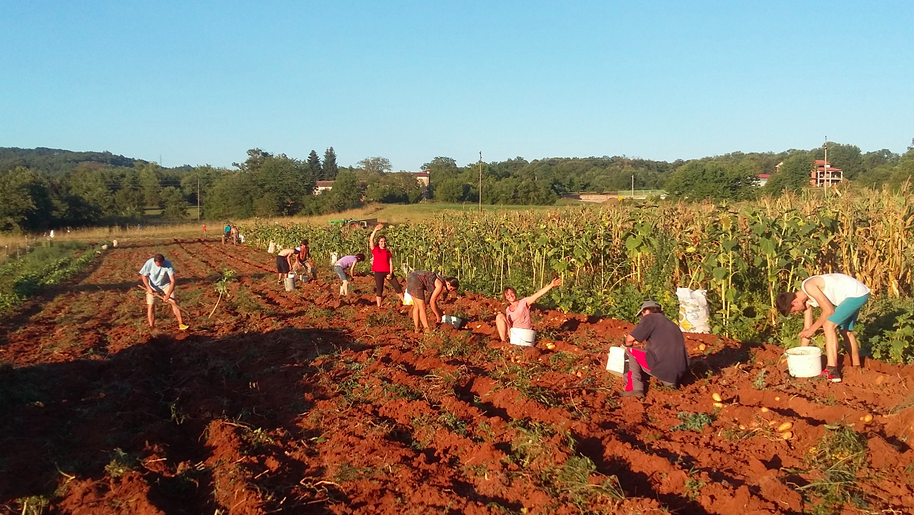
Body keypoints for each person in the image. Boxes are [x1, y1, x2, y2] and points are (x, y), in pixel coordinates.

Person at [776, 273, 870, 382]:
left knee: (828, 325)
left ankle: (832, 370)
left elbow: (829, 311)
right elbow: (807, 330)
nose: (797, 313)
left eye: (794, 310)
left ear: (794, 302)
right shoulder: (806, 300)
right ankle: (857, 367)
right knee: (845, 331)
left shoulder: (809, 286)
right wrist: (800, 359)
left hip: (854, 294)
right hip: (857, 293)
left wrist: (812, 330)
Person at [621, 300, 689, 398]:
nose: (642, 317)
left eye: (642, 314)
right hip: (680, 372)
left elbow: (630, 340)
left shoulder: (650, 318)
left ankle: (633, 389)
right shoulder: (672, 324)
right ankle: (669, 383)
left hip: (663, 368)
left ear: (647, 311)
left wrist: (624, 345)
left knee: (629, 352)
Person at [495, 278, 562, 342]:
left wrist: (551, 285)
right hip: (515, 335)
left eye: (512, 293)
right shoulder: (508, 310)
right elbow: (509, 325)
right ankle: (503, 342)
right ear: (506, 297)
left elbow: (537, 294)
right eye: (508, 294)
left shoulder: (524, 302)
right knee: (499, 316)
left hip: (526, 334)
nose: (510, 295)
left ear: (515, 293)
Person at [139, 253, 188, 331]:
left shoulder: (168, 264)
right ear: (154, 262)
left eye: (161, 264)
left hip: (166, 284)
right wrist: (148, 287)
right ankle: (151, 326)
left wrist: (168, 294)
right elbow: (143, 275)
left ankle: (181, 324)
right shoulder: (149, 263)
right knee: (151, 305)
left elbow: (172, 280)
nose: (160, 266)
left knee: (173, 302)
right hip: (153, 286)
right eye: (158, 265)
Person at [369, 224, 404, 307]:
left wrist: (391, 273)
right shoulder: (375, 250)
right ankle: (379, 306)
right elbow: (371, 240)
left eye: (384, 241)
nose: (383, 243)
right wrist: (375, 230)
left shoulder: (388, 252)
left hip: (387, 271)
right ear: (378, 242)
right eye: (381, 241)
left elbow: (391, 263)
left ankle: (404, 301)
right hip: (378, 272)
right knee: (379, 289)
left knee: (397, 286)